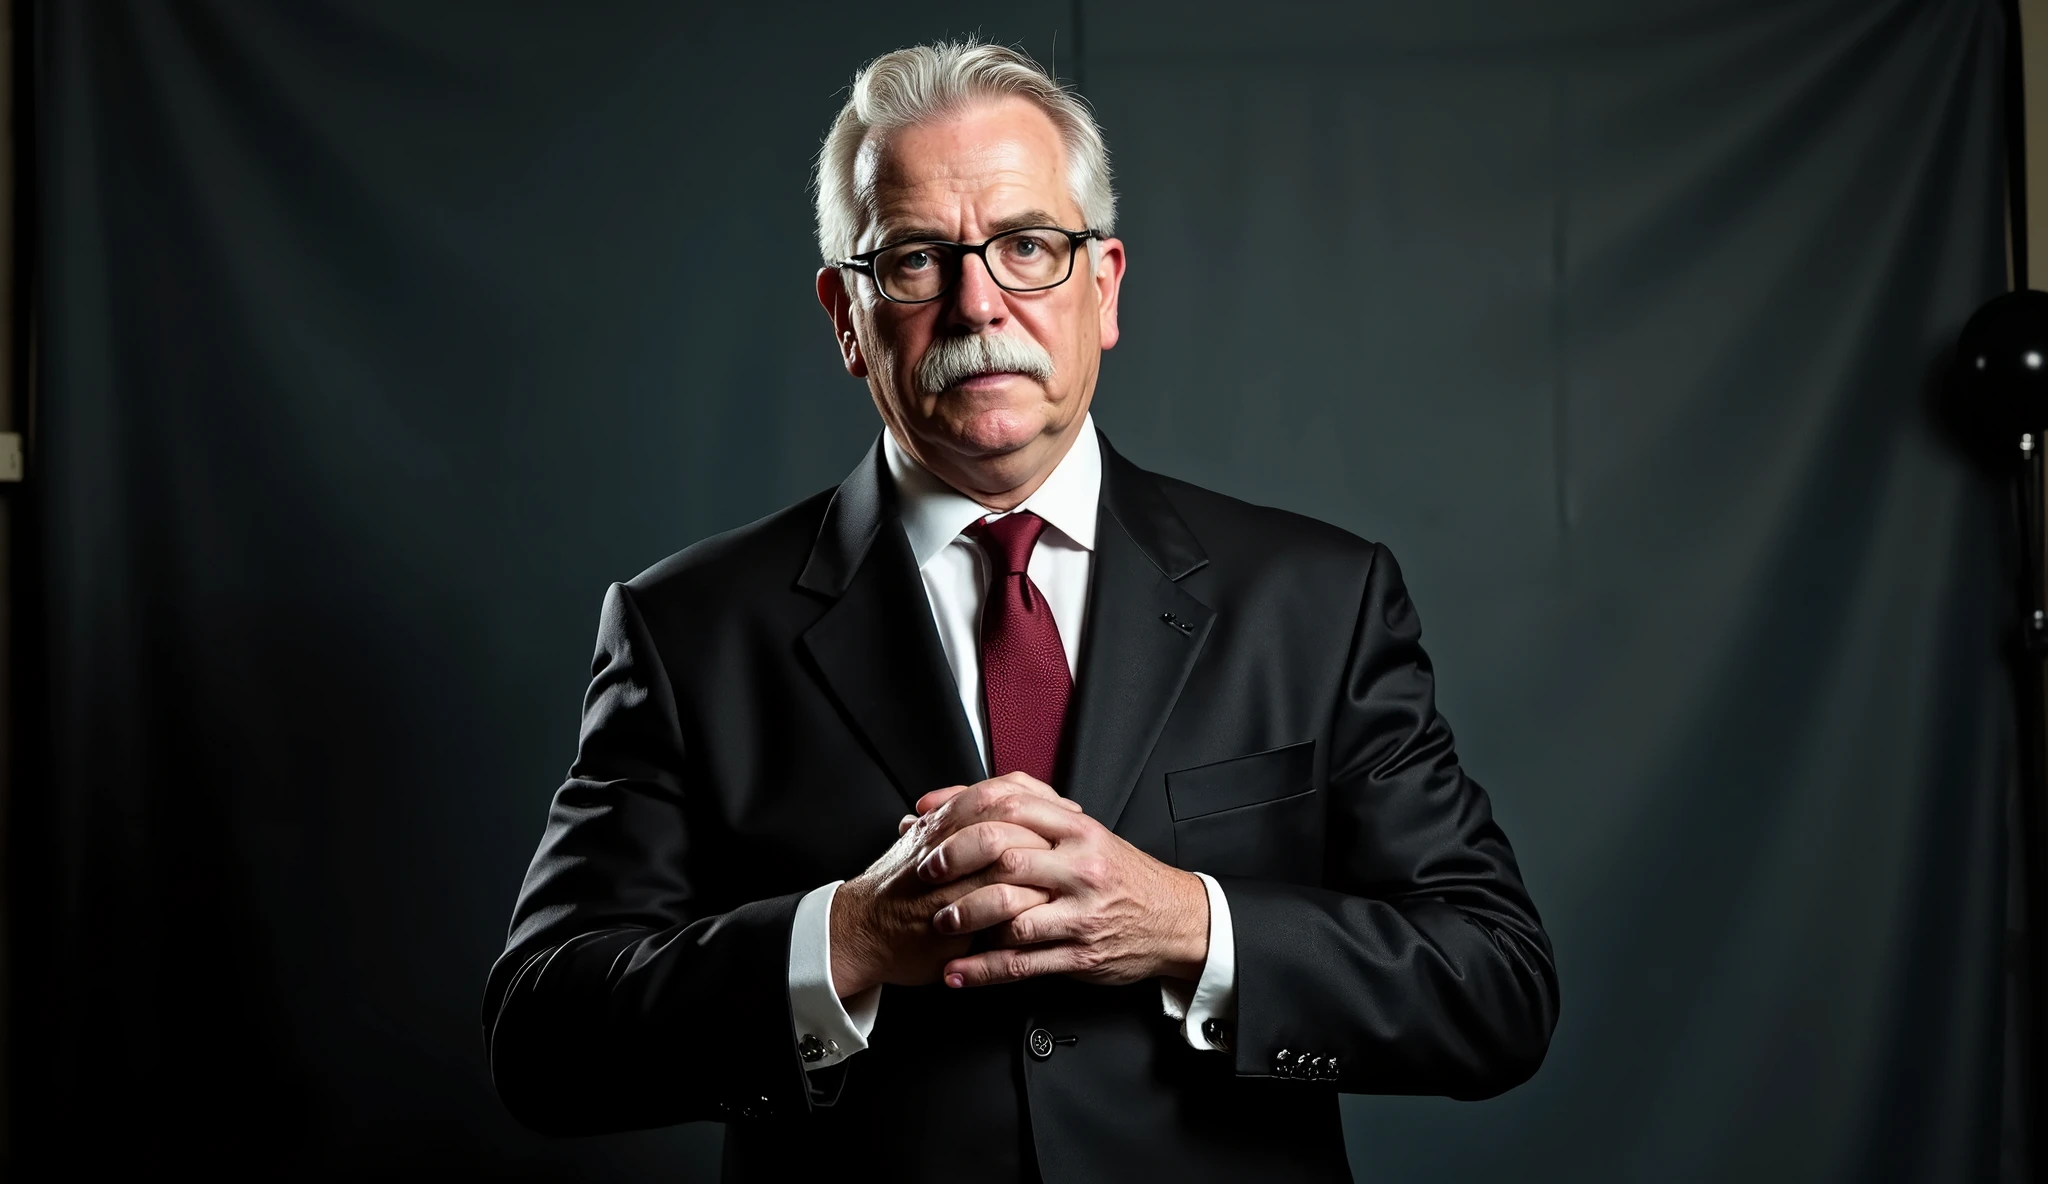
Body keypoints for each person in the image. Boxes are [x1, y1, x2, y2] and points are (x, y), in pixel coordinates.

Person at [482, 38, 1558, 1183]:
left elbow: (1493, 983)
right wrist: (846, 937)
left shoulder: (1318, 598)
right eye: (912, 260)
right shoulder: (686, 628)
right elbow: (543, 1037)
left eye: (1028, 246)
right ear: (845, 316)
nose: (976, 300)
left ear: (1102, 289)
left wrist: (1184, 923)